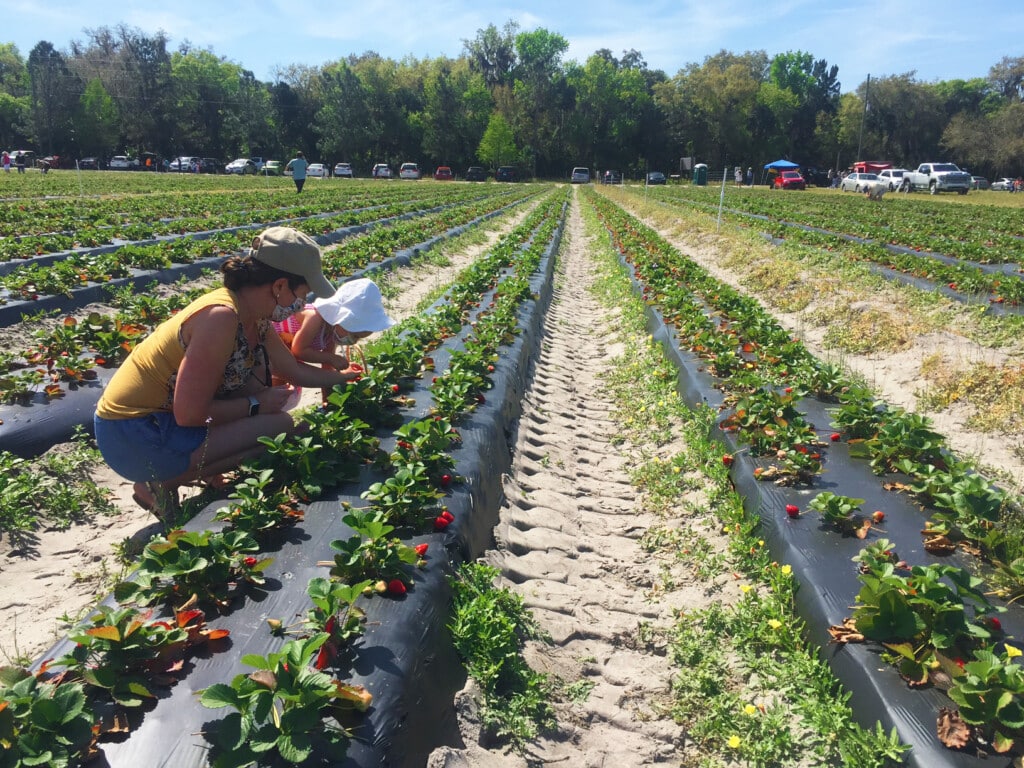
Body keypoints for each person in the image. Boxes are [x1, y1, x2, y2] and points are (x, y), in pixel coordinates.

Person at [93, 226, 361, 521]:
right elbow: (188, 414)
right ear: (280, 286)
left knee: (278, 421)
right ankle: (157, 483)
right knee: (279, 426)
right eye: (302, 293)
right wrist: (256, 405)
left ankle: (192, 472)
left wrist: (344, 376)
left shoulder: (254, 315)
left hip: (160, 422)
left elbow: (293, 369)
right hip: (134, 432)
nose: (302, 303)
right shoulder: (220, 318)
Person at [274, 277, 395, 404]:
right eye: (354, 335)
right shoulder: (314, 318)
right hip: (272, 347)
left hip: (285, 355)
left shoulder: (332, 331)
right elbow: (299, 350)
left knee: (285, 391)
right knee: (278, 387)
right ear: (342, 318)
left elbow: (327, 368)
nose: (353, 341)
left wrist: (328, 400)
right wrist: (331, 358)